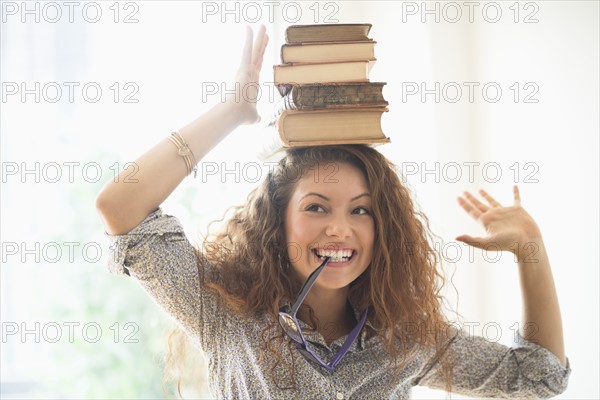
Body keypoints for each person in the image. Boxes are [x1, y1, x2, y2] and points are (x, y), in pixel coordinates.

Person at [96, 25, 570, 398]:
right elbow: (121, 205)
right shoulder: (226, 314)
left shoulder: (407, 341)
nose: (340, 229)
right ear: (277, 221)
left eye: (361, 211)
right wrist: (232, 109)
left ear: (384, 229)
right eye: (317, 207)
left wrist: (531, 252)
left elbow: (537, 377)